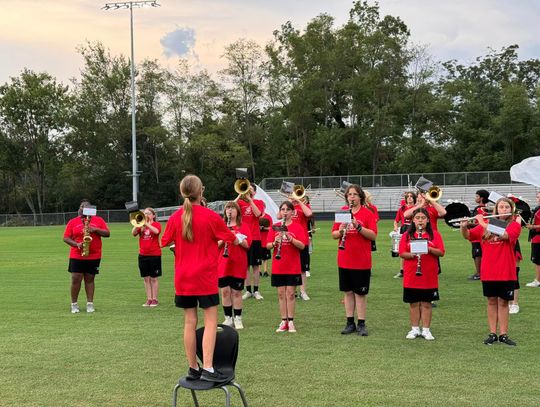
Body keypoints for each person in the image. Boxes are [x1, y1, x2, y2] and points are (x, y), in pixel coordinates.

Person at [161, 175, 239, 383]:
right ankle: (208, 367)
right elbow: (231, 238)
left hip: (183, 276)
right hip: (204, 276)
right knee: (211, 320)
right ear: (200, 192)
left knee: (189, 321)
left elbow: (164, 241)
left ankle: (192, 367)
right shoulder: (210, 216)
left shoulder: (176, 216)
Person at [460, 197, 521, 346]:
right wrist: (463, 226)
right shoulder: (485, 225)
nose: (504, 210)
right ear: (496, 209)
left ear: (511, 209)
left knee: (504, 303)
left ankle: (504, 334)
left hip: (506, 271)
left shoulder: (514, 225)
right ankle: (493, 333)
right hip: (489, 271)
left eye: (507, 207)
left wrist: (482, 222)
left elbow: (505, 236)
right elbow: (469, 236)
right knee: (491, 301)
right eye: (501, 207)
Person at [331, 184, 378, 336]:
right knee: (348, 292)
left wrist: (358, 227)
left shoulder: (367, 213)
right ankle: (350, 322)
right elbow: (334, 234)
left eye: (355, 194)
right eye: (349, 194)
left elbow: (373, 235)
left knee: (360, 293)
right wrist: (341, 230)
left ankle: (362, 323)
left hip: (361, 260)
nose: (352, 197)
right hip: (344, 259)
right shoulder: (342, 213)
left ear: (360, 197)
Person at [399, 208, 445, 340]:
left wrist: (428, 248)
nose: (420, 220)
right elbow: (402, 253)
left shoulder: (435, 235)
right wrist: (413, 254)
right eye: (417, 218)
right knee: (413, 303)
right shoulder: (406, 235)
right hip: (412, 274)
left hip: (428, 274)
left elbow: (441, 252)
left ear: (428, 220)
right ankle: (414, 329)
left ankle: (426, 329)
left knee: (426, 303)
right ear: (413, 220)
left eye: (423, 218)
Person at [267, 201, 308, 333]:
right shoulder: (275, 226)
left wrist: (291, 239)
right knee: (280, 294)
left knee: (290, 294)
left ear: (292, 212)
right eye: (283, 209)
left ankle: (290, 321)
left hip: (292, 266)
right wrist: (274, 242)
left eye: (288, 210)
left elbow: (302, 246)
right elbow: (267, 245)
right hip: (278, 265)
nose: (285, 212)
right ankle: (283, 320)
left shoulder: (297, 227)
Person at [63, 199, 110, 314]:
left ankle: (90, 304)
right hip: (77, 254)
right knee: (76, 278)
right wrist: (76, 244)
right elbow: (66, 238)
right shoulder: (73, 222)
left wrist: (96, 229)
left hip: (94, 255)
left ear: (90, 209)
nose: (82, 208)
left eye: (84, 206)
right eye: (81, 206)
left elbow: (107, 234)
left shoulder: (98, 220)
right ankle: (74, 304)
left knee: (90, 278)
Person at [218, 201, 251, 330]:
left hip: (237, 262)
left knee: (237, 292)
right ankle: (228, 318)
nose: (230, 211)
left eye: (232, 208)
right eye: (228, 208)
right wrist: (225, 237)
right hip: (223, 263)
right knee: (225, 292)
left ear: (237, 211)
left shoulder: (243, 226)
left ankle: (238, 318)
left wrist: (236, 238)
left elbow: (247, 245)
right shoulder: (221, 225)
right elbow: (216, 244)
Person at [238, 184, 265, 300]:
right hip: (243, 237)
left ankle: (256, 290)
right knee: (245, 266)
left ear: (254, 192)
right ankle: (248, 290)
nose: (248, 192)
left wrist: (250, 200)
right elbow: (229, 208)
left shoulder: (258, 202)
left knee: (255, 266)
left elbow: (258, 214)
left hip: (255, 238)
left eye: (251, 190)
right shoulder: (240, 203)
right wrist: (239, 195)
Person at [132, 207, 162, 307]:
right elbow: (133, 233)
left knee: (154, 278)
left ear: (153, 215)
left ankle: (155, 299)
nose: (146, 215)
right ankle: (149, 299)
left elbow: (156, 231)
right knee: (146, 278)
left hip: (154, 255)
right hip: (143, 255)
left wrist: (147, 223)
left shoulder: (156, 224)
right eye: (145, 213)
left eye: (149, 213)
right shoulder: (141, 226)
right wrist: (138, 224)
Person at [393, 192, 417, 278]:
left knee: (414, 250)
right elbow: (396, 220)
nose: (409, 198)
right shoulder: (401, 209)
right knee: (403, 250)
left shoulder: (417, 208)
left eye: (411, 196)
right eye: (408, 196)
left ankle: (415, 269)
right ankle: (402, 270)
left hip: (414, 229)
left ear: (414, 198)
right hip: (404, 230)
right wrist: (395, 227)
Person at [468, 190, 489, 281]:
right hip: (483, 234)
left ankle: (478, 273)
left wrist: (468, 225)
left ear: (481, 198)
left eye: (477, 196)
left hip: (477, 236)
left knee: (477, 254)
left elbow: (480, 223)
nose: (475, 198)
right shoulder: (486, 208)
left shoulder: (479, 209)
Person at [525, 191, 540, 288]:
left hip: (538, 237)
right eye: (538, 197)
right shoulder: (538, 209)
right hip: (536, 236)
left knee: (538, 261)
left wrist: (533, 226)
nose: (538, 199)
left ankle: (537, 280)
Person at [259, 210, 273, 278]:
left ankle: (265, 271)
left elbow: (271, 228)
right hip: (258, 239)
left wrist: (264, 228)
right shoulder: (256, 216)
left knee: (265, 258)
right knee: (259, 257)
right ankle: (259, 271)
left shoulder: (268, 217)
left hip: (266, 240)